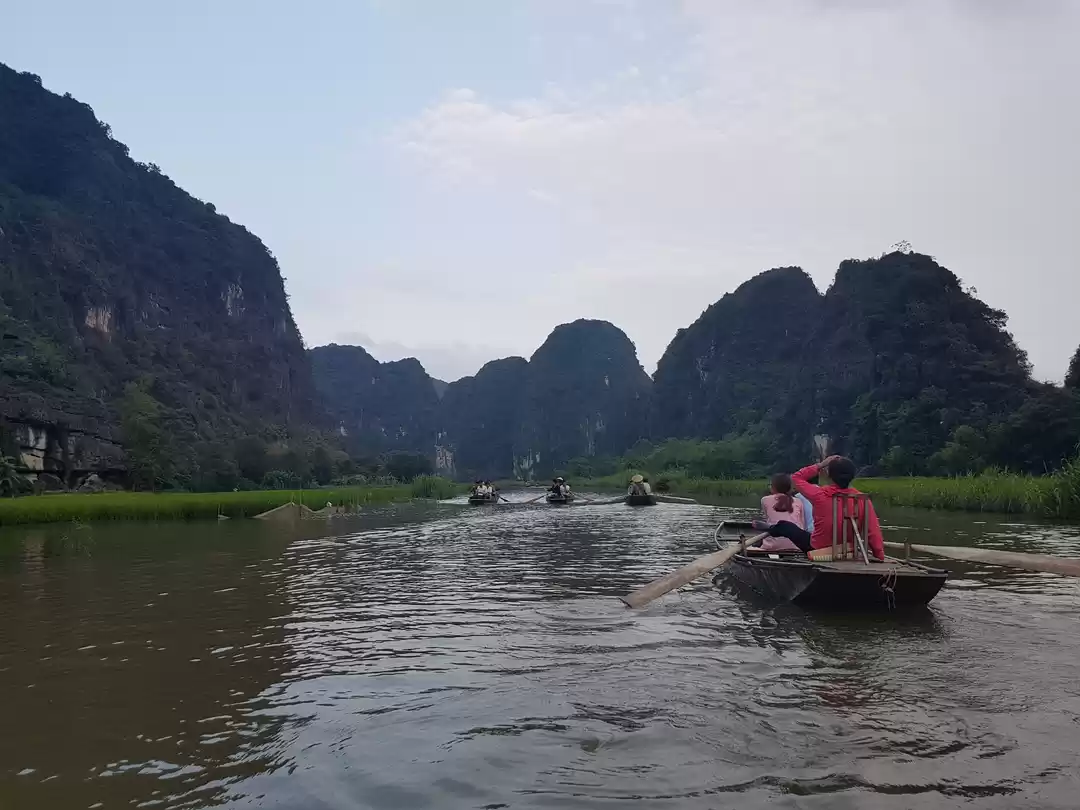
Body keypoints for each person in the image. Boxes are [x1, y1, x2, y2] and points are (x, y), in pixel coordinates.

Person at [767, 456, 884, 560]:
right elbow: (873, 532)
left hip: (817, 549)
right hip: (847, 549)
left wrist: (820, 465)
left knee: (785, 525)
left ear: (829, 475)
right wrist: (879, 555)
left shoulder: (819, 494)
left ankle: (770, 531)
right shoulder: (863, 499)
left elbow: (796, 477)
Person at [752, 473, 806, 552]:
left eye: (770, 484)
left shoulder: (765, 500)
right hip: (797, 545)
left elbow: (768, 520)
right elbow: (802, 524)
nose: (769, 486)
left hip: (772, 546)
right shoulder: (798, 501)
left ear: (775, 486)